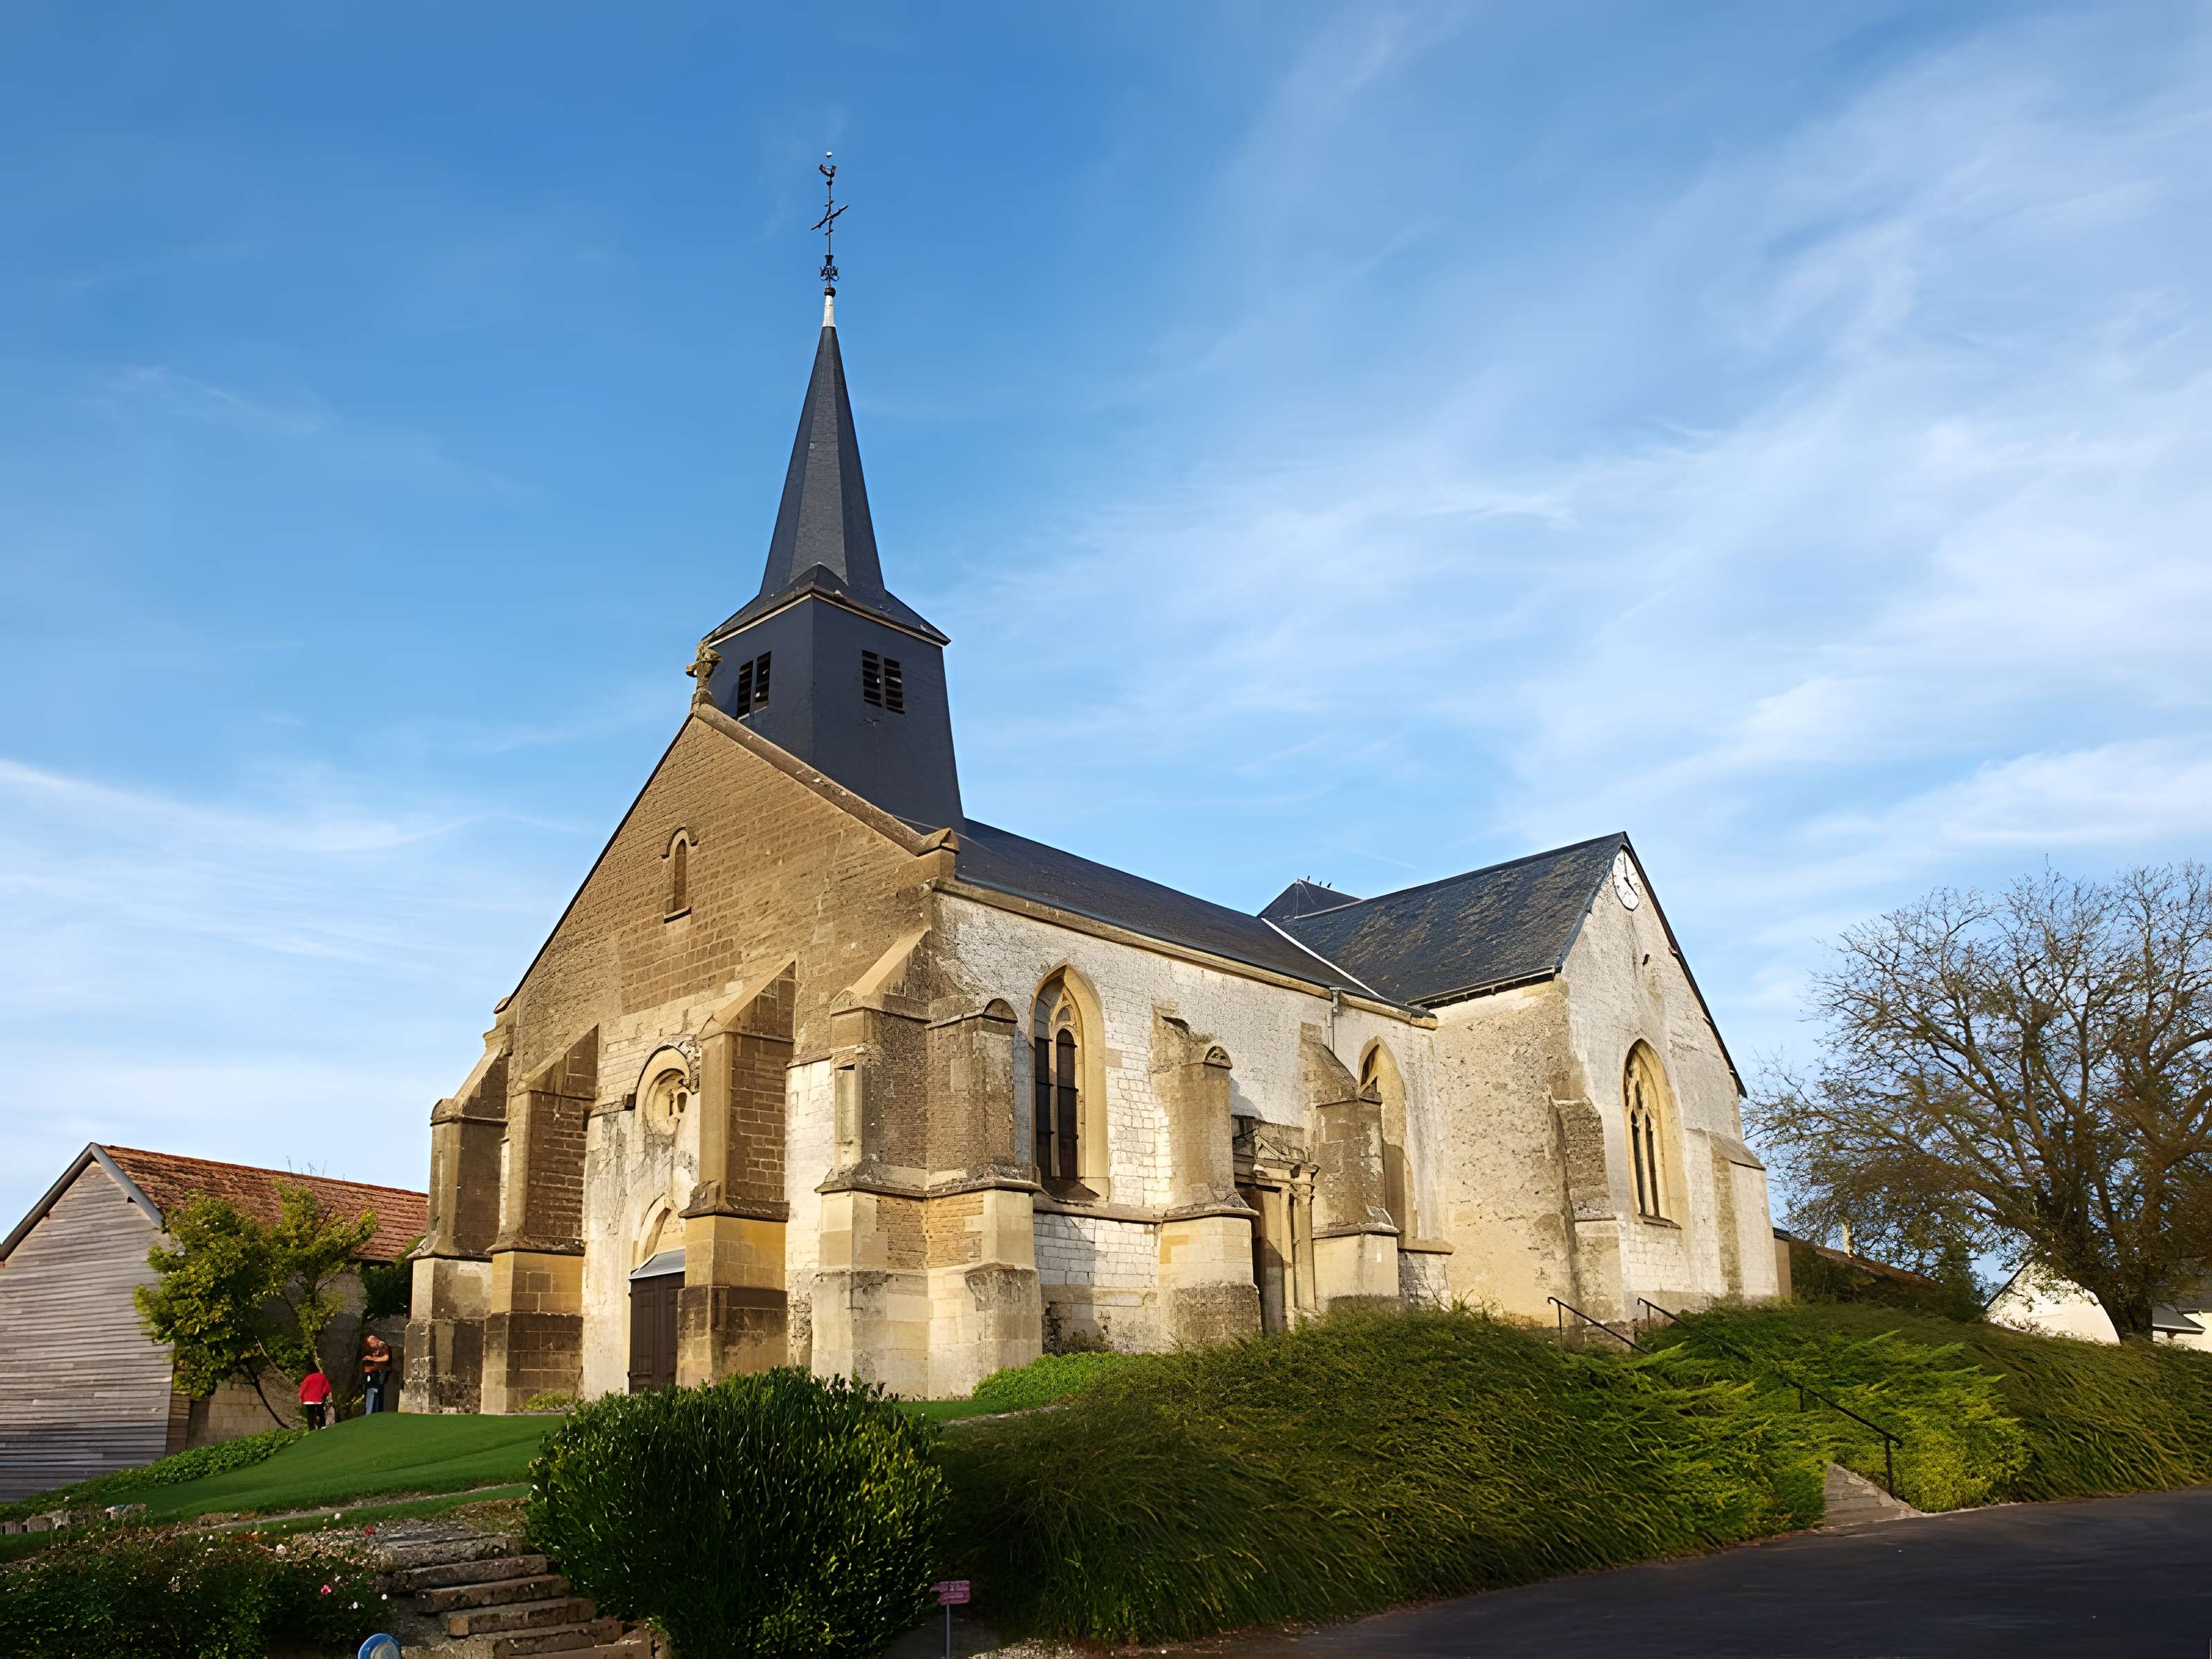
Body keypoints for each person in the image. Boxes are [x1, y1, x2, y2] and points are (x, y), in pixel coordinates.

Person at [360, 1333, 393, 1415]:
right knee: (374, 1390)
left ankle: (378, 1411)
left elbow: (386, 1358)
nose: (370, 1346)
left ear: (374, 1341)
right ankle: (375, 1410)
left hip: (382, 1371)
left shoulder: (382, 1345)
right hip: (375, 1371)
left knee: (379, 1389)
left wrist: (372, 1359)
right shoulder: (375, 1348)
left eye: (370, 1344)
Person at [298, 1366, 333, 1430]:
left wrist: (301, 1397)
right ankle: (322, 1425)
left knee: (310, 1413)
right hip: (318, 1397)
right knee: (321, 1411)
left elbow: (303, 1388)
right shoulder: (322, 1376)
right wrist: (325, 1394)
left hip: (308, 1399)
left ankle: (311, 1428)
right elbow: (327, 1387)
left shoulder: (308, 1378)